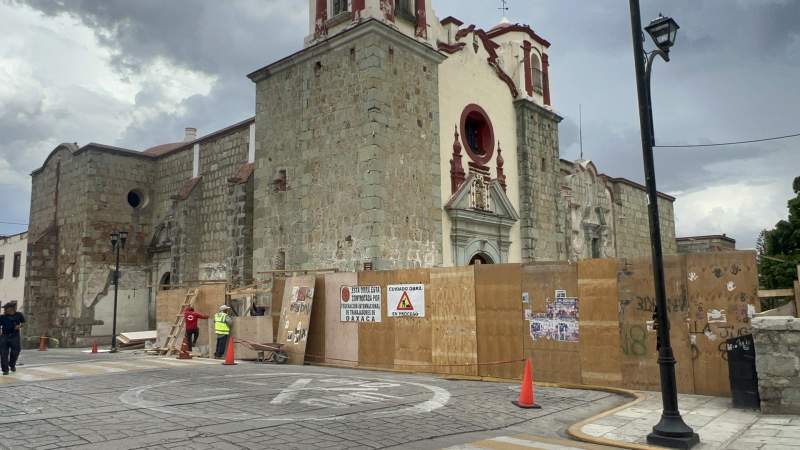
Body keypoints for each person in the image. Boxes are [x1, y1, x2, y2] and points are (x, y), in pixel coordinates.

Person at [0, 301, 25, 375]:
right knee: (3, 353)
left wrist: (19, 326)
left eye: (7, 308)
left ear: (12, 308)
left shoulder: (19, 315)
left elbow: (23, 323)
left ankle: (12, 364)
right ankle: (5, 370)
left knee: (16, 351)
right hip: (4, 336)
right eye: (5, 309)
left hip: (15, 336)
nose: (5, 310)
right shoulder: (2, 317)